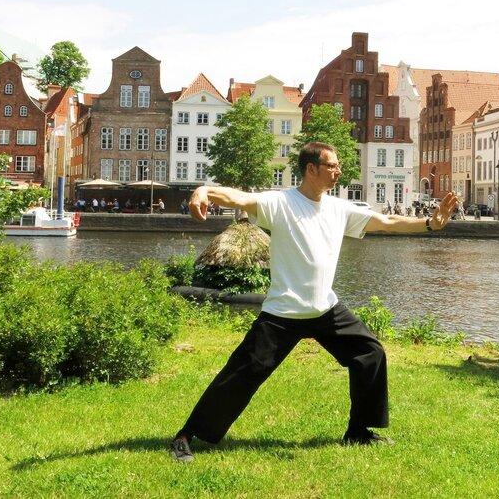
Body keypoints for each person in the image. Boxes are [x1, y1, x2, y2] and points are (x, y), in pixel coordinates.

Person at [169, 141, 458, 463]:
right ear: (311, 169)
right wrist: (204, 190)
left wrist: (431, 224)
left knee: (370, 353)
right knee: (244, 372)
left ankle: (359, 432)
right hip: (283, 312)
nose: (338, 171)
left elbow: (387, 222)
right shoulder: (280, 203)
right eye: (332, 166)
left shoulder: (338, 208)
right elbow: (239, 197)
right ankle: (186, 436)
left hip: (325, 309)